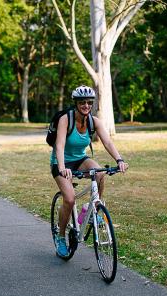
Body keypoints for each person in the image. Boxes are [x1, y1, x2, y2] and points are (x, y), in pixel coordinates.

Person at [50, 85, 128, 258]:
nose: (86, 105)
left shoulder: (93, 121)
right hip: (60, 161)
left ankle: (90, 209)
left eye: (89, 102)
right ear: (76, 103)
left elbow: (107, 142)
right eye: (82, 102)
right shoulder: (66, 119)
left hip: (80, 159)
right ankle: (61, 237)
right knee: (69, 200)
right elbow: (60, 145)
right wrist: (62, 168)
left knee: (99, 173)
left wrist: (119, 160)